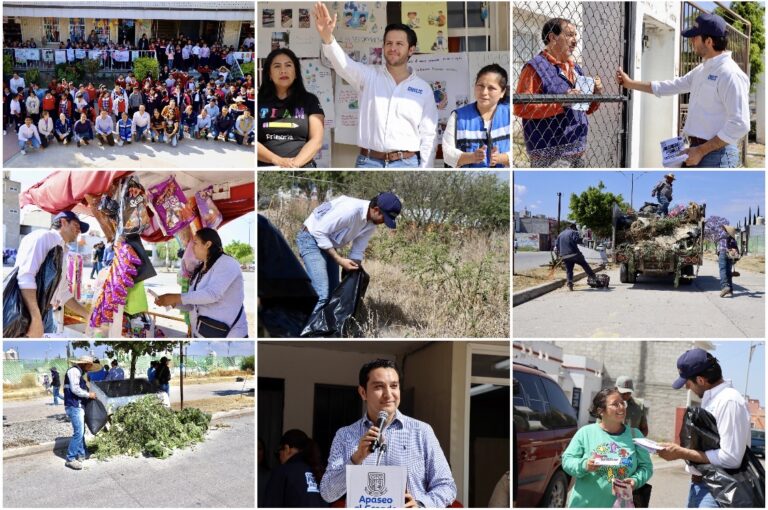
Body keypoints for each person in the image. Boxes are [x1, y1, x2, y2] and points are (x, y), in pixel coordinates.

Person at [616, 13, 749, 167]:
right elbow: (671, 85)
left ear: (709, 41)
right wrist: (630, 84)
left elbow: (740, 124)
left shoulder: (730, 74)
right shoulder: (702, 69)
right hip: (696, 149)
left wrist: (701, 150)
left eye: (695, 37)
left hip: (717, 155)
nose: (691, 41)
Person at [314, 3, 438, 168]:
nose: (393, 48)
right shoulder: (368, 76)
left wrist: (425, 170)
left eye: (399, 44)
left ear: (411, 50)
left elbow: (429, 135)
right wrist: (327, 38)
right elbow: (343, 64)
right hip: (368, 162)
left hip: (407, 163)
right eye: (389, 43)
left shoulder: (423, 89)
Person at [320, 359, 457, 507]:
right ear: (363, 392)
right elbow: (327, 493)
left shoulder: (421, 432)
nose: (388, 394)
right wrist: (356, 459)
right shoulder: (345, 436)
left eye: (394, 386)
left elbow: (447, 486)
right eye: (379, 387)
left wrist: (421, 505)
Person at [656, 349, 751, 507]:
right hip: (701, 486)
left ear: (701, 380)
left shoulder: (729, 401)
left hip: (718, 490)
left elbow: (731, 458)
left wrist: (682, 453)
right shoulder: (712, 399)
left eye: (688, 381)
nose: (687, 387)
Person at [514, 18, 604, 167]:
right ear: (552, 37)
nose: (575, 41)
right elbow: (521, 107)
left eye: (576, 35)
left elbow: (586, 109)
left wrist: (596, 94)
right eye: (569, 35)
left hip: (577, 148)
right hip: (549, 153)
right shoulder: (535, 68)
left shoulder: (576, 69)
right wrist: (561, 102)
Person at [298, 193, 401, 314]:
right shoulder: (350, 210)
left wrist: (354, 270)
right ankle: (299, 328)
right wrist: (339, 260)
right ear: (376, 209)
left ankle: (319, 329)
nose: (384, 222)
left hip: (328, 244)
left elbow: (358, 250)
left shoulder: (371, 223)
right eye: (384, 217)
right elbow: (318, 231)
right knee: (321, 294)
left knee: (333, 294)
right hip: (310, 238)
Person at [561, 388, 653, 507]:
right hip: (584, 504)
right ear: (601, 410)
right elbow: (567, 460)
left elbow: (646, 467)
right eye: (615, 404)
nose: (621, 407)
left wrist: (635, 481)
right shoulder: (585, 433)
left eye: (622, 403)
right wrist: (585, 465)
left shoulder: (635, 435)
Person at [154, 228, 248, 337]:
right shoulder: (200, 269)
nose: (192, 247)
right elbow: (194, 304)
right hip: (202, 332)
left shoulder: (227, 263)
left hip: (229, 335)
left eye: (195, 243)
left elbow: (212, 294)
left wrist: (176, 297)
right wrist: (173, 303)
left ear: (208, 244)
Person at [13, 211, 92, 337]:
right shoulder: (43, 237)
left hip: (46, 313)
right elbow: (25, 278)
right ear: (63, 222)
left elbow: (64, 293)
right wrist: (35, 319)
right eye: (76, 226)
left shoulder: (63, 250)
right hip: (27, 313)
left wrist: (89, 316)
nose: (79, 231)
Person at [257, 48, 325, 168]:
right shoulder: (258, 101)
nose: (283, 71)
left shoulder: (310, 100)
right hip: (265, 167)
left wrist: (295, 164)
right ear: (269, 74)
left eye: (288, 65)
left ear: (296, 73)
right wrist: (277, 160)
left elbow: (316, 140)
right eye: (277, 66)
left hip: (301, 166)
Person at [442, 64, 511, 167]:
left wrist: (501, 158)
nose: (484, 92)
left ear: (502, 92)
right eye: (480, 86)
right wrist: (472, 157)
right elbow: (448, 154)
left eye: (491, 88)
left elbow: (519, 152)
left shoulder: (509, 114)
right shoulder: (458, 117)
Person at [264, 429, 329, 507]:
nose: (279, 457)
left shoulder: (282, 472)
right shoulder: (318, 471)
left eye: (278, 452)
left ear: (287, 448)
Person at [63, 355, 97, 470]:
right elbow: (75, 389)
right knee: (78, 432)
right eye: (89, 365)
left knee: (81, 432)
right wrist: (89, 395)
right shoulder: (74, 371)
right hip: (74, 406)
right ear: (84, 363)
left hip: (78, 406)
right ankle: (70, 458)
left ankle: (82, 454)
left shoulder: (80, 373)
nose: (90, 368)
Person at [555, 223, 597, 291]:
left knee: (569, 270)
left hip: (565, 256)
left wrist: (561, 254)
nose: (576, 230)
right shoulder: (573, 232)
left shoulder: (560, 234)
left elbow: (557, 245)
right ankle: (593, 277)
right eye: (576, 229)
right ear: (573, 227)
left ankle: (570, 284)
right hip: (574, 254)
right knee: (584, 264)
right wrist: (583, 240)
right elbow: (577, 240)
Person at [716, 224, 740, 298]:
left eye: (724, 228)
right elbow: (736, 249)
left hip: (723, 253)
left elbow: (718, 239)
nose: (722, 228)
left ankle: (725, 287)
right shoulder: (733, 239)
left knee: (723, 270)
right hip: (730, 255)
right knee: (728, 272)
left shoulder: (722, 234)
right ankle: (730, 290)